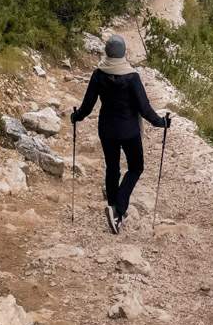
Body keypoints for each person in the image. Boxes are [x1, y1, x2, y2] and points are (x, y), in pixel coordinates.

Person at [70, 34, 171, 234]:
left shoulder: (99, 74)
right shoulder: (132, 76)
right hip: (130, 132)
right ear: (124, 52)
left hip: (107, 130)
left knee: (112, 168)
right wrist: (162, 123)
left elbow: (88, 106)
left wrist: (77, 117)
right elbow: (144, 108)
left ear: (107, 51)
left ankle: (112, 206)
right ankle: (119, 208)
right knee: (136, 167)